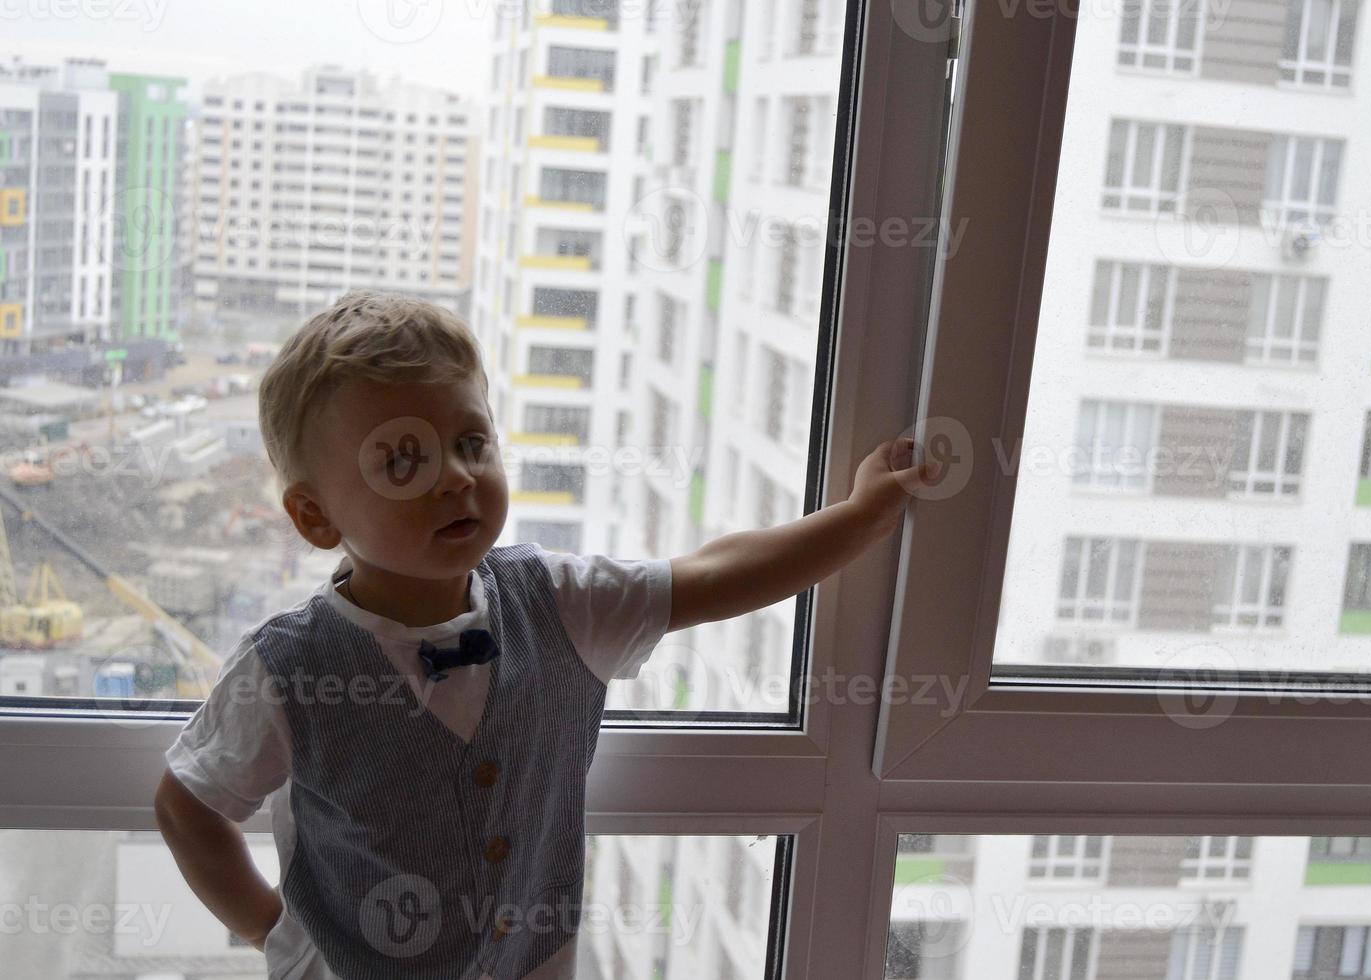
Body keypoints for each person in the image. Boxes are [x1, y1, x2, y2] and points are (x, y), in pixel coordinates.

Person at [152, 289, 925, 979]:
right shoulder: (287, 669)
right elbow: (189, 806)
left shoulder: (558, 603)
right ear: (317, 517)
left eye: (471, 443)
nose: (455, 477)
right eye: (403, 461)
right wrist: (271, 931)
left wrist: (859, 517)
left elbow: (715, 575)